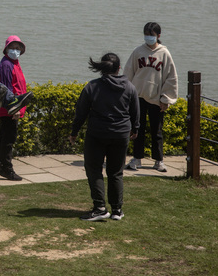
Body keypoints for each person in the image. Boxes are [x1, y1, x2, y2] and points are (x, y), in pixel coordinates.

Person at [70, 53, 140, 222]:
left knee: (94, 169)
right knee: (116, 172)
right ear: (119, 68)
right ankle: (117, 210)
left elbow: (81, 113)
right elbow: (135, 111)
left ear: (101, 68)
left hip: (97, 134)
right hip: (121, 134)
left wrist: (74, 132)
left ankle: (100, 208)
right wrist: (135, 129)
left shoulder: (92, 87)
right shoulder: (129, 87)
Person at [123, 22, 178, 173]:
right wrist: (126, 95)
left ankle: (159, 161)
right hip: (138, 97)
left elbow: (171, 78)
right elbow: (128, 72)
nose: (148, 38)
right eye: (146, 35)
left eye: (151, 35)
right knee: (136, 130)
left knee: (157, 131)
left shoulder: (164, 53)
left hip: (156, 99)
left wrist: (166, 99)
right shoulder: (138, 51)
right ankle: (136, 159)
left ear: (158, 36)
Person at [0, 35, 28, 181]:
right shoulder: (7, 65)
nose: (15, 50)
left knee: (3, 136)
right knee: (8, 138)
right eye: (12, 48)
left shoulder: (13, 63)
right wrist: (14, 109)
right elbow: (7, 88)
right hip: (9, 109)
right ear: (6, 49)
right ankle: (7, 169)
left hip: (10, 107)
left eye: (17, 48)